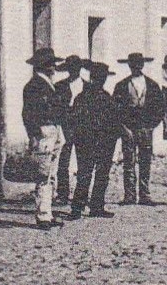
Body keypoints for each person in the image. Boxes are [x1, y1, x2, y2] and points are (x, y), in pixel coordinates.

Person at [20, 47, 67, 230]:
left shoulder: (47, 83)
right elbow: (28, 114)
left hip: (54, 129)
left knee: (50, 174)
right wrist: (34, 133)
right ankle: (43, 215)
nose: (54, 67)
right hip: (44, 131)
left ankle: (48, 211)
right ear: (46, 66)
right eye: (52, 64)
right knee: (43, 175)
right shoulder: (34, 85)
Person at [68, 62, 121, 219]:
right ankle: (84, 208)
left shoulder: (98, 98)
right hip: (93, 142)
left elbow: (114, 121)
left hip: (96, 142)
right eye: (99, 78)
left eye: (102, 78)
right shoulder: (91, 98)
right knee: (91, 174)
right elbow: (75, 121)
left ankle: (87, 207)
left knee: (94, 174)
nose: (101, 80)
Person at [112, 52, 165, 205]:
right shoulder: (121, 85)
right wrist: (123, 128)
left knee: (145, 161)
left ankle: (144, 194)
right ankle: (129, 195)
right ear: (129, 65)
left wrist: (151, 126)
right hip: (128, 128)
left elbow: (160, 109)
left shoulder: (152, 85)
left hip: (145, 128)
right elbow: (116, 109)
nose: (136, 66)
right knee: (129, 161)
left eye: (139, 64)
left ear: (142, 65)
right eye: (133, 64)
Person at [53, 54, 86, 203]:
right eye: (71, 68)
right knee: (63, 160)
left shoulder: (87, 86)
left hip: (82, 126)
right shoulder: (59, 86)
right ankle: (63, 193)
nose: (74, 71)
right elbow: (55, 107)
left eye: (76, 68)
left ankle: (81, 195)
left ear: (80, 69)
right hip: (65, 126)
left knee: (83, 161)